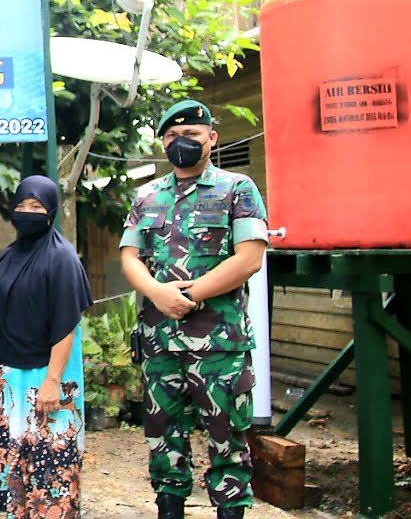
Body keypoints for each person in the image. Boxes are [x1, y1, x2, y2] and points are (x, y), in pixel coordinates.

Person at [120, 100, 268, 519]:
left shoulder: (237, 189)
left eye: (191, 136)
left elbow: (249, 257)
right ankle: (169, 507)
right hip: (159, 342)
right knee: (163, 440)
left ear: (211, 139)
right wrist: (157, 293)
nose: (180, 143)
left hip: (219, 344)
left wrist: (190, 295)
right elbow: (130, 256)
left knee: (227, 442)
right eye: (171, 137)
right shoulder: (146, 195)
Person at [0, 175, 92, 517]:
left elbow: (66, 325)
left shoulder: (62, 259)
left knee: (49, 461)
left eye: (36, 207)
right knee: (15, 458)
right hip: (7, 373)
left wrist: (53, 381)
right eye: (21, 206)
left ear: (51, 211)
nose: (27, 212)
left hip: (47, 373)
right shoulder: (8, 256)